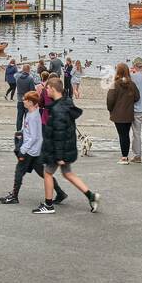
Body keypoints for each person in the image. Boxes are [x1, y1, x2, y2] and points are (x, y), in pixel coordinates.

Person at [34, 77, 99, 214]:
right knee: (68, 173)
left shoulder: (58, 109)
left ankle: (48, 205)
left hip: (59, 150)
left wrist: (59, 157)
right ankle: (91, 196)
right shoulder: (66, 103)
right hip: (67, 148)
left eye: (47, 88)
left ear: (53, 89)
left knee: (47, 173)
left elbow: (60, 133)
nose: (46, 91)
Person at [0, 90, 66, 206]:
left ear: (31, 102)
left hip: (30, 151)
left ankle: (14, 196)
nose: (23, 101)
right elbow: (30, 131)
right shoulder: (31, 113)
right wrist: (21, 133)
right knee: (43, 173)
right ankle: (60, 193)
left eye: (25, 100)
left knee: (19, 171)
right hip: (35, 150)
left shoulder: (33, 116)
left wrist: (23, 150)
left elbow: (34, 137)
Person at [106, 62, 138, 164]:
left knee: (122, 135)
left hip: (117, 114)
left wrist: (110, 109)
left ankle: (124, 157)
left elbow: (110, 100)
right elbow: (137, 97)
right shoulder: (132, 84)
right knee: (126, 135)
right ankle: (125, 155)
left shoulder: (115, 84)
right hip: (128, 113)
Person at [13, 63, 38, 132]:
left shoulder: (17, 77)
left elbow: (16, 74)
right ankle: (26, 131)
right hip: (28, 101)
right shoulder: (30, 79)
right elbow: (32, 91)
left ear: (22, 70)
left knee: (19, 117)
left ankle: (18, 130)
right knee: (27, 117)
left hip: (20, 100)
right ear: (29, 70)